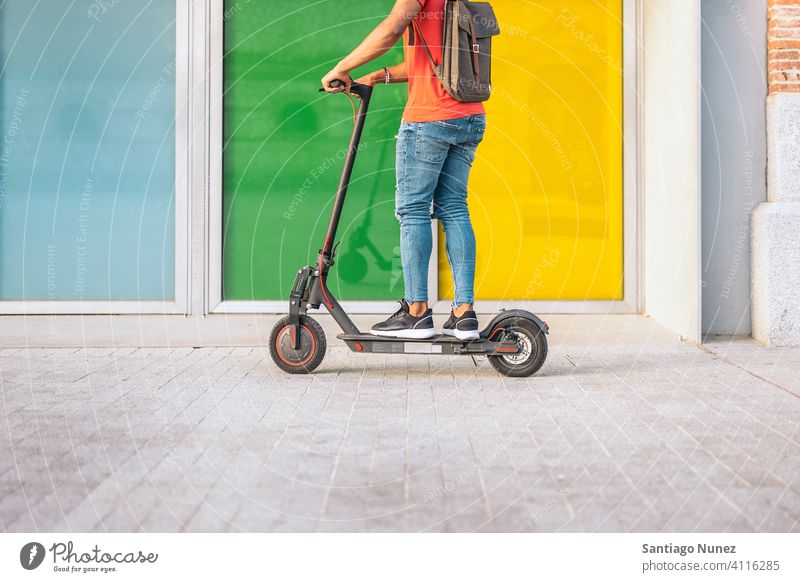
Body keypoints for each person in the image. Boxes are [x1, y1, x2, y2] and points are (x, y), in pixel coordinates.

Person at [322, 0, 486, 341]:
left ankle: (416, 313)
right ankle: (463, 313)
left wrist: (341, 67)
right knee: (454, 208)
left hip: (429, 121)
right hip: (470, 116)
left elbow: (391, 29)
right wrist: (377, 76)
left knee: (413, 210)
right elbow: (433, 65)